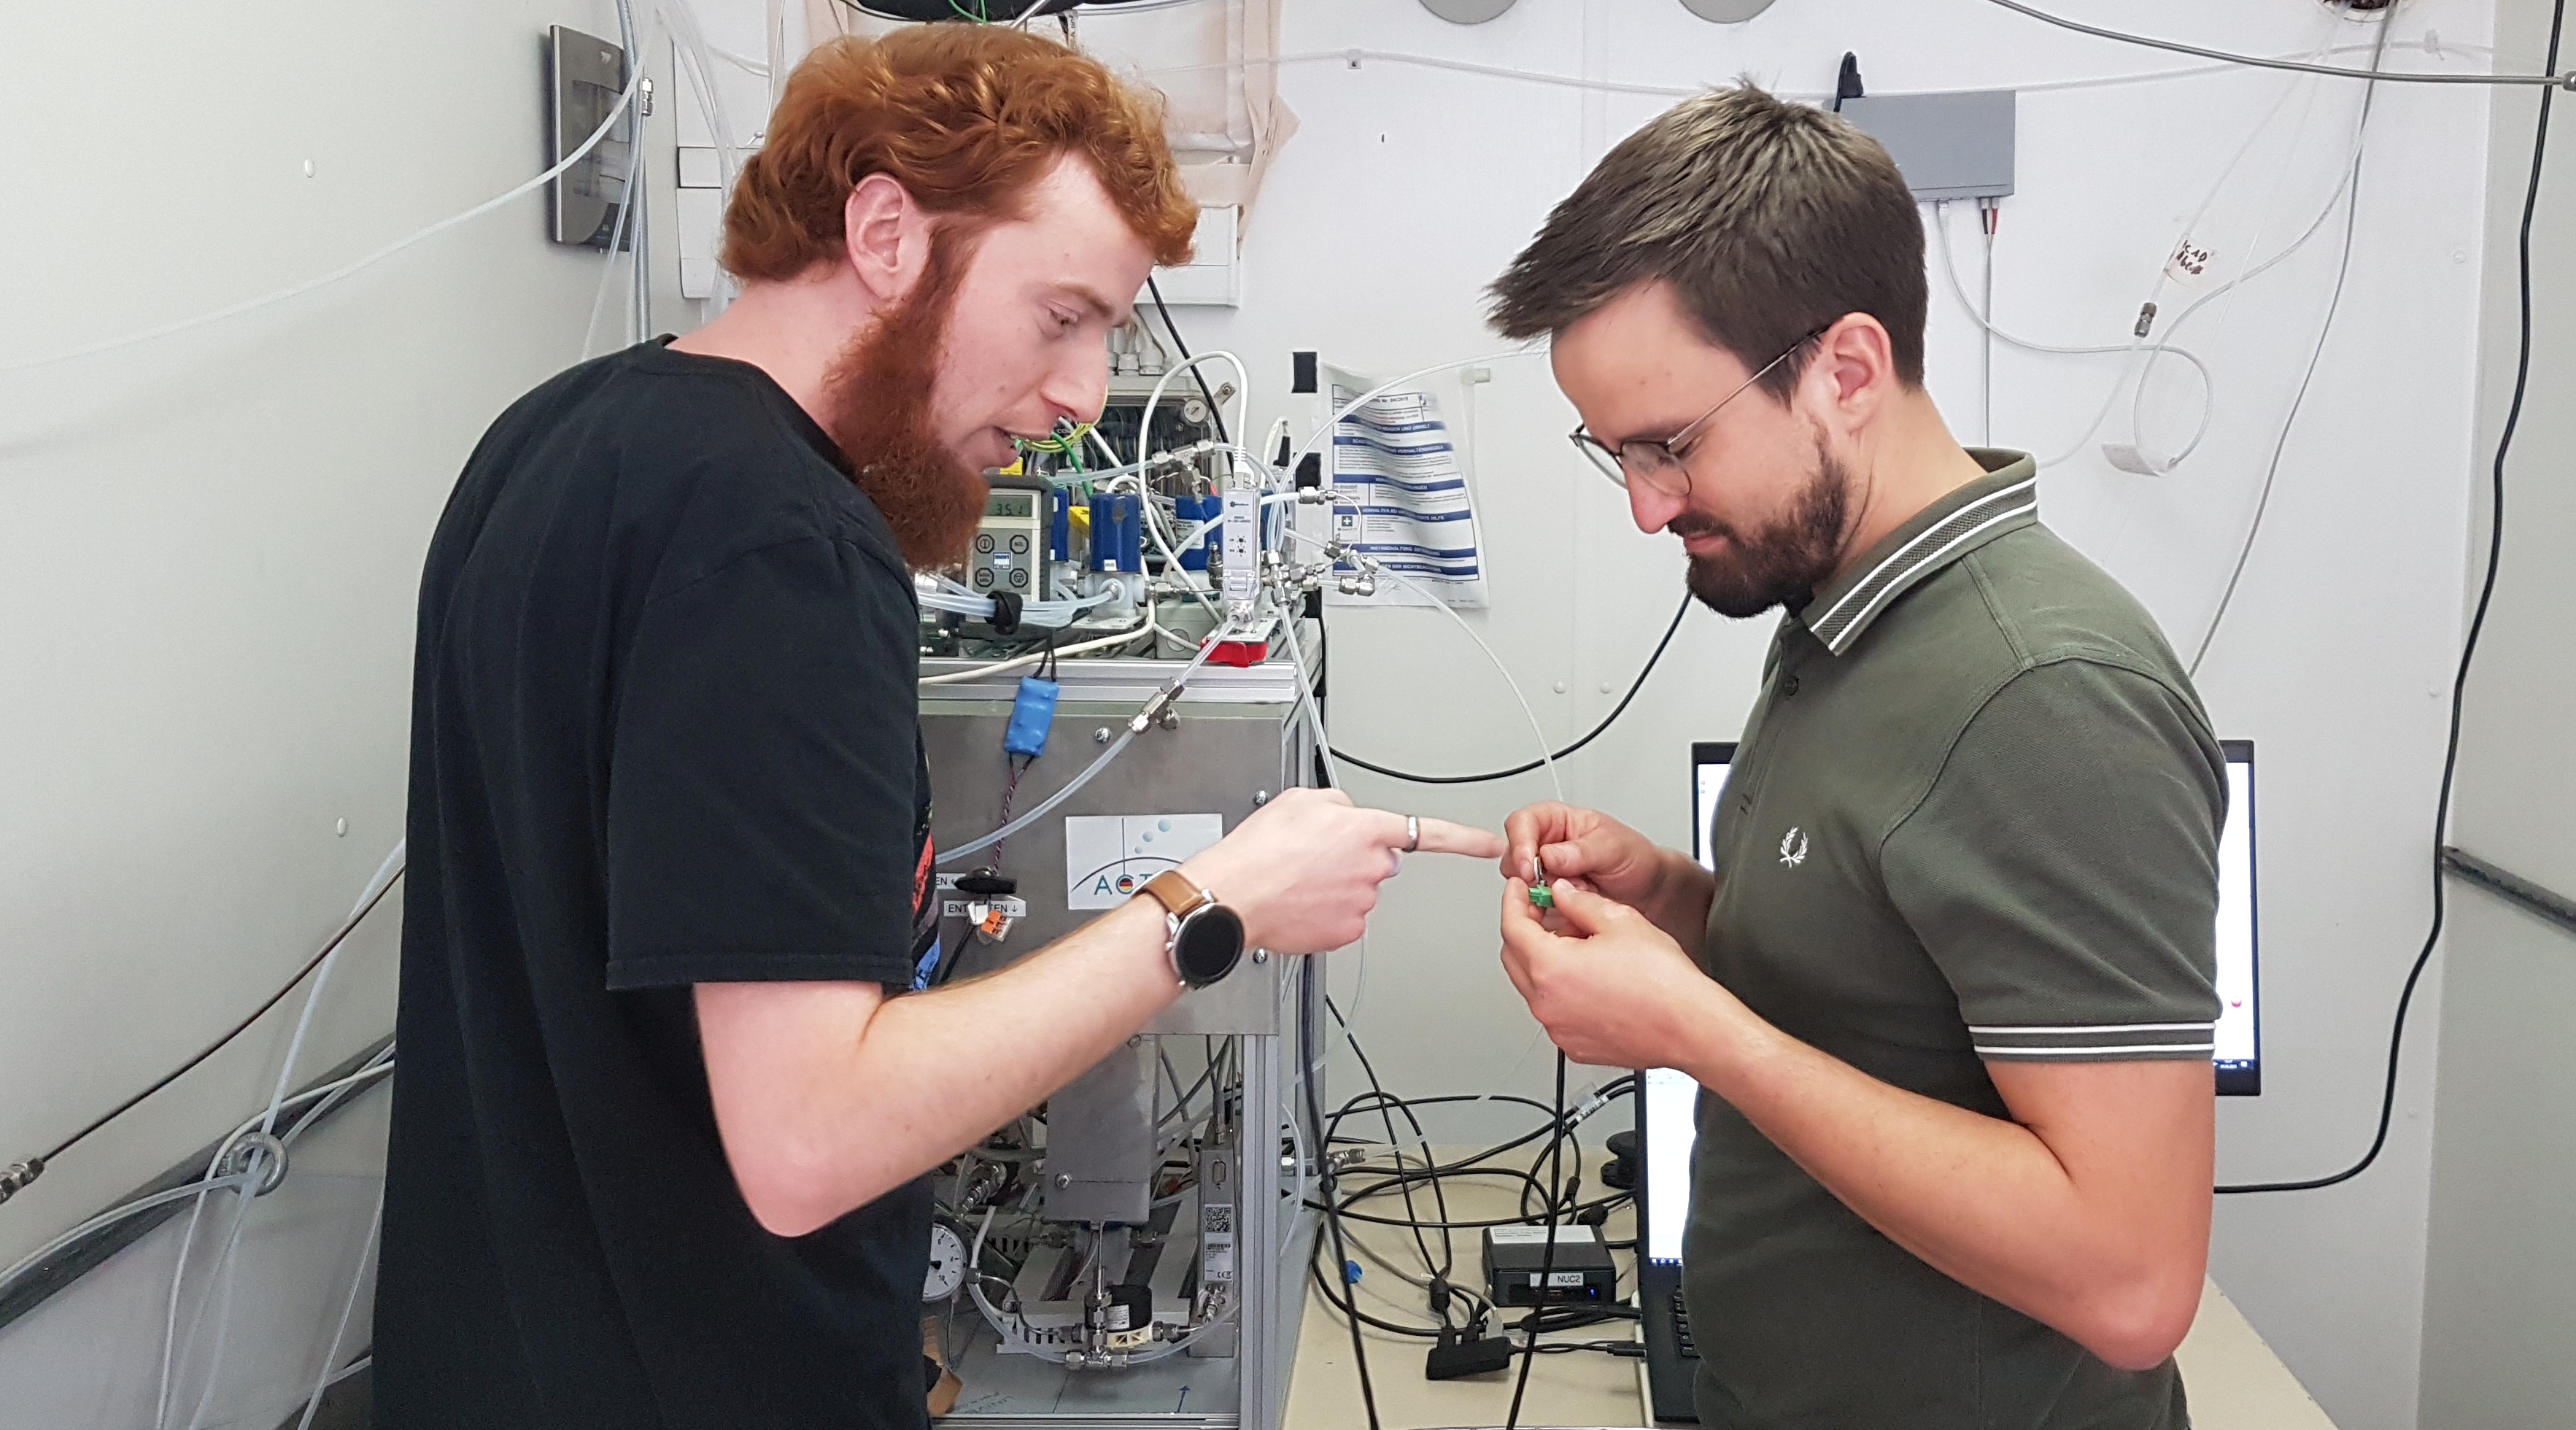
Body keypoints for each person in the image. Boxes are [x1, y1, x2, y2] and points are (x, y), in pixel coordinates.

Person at [375, 26, 1499, 1430]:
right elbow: (808, 1141)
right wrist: (1213, 906)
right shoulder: (783, 545)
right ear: (888, 232)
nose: (1087, 396)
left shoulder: (550, 441)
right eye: (1061, 317)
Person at [1487, 85, 2224, 1429]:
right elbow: (1888, 1006)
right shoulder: (1846, 620)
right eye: (1619, 459)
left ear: (1844, 370)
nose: (1649, 508)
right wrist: (1679, 905)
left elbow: (2133, 1280)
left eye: (1669, 446)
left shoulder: (2042, 692)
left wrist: (1693, 1032)